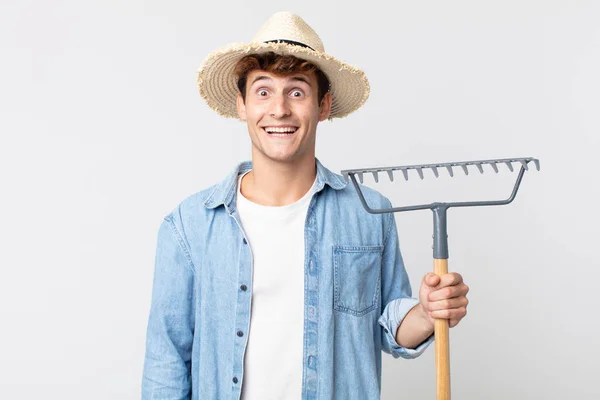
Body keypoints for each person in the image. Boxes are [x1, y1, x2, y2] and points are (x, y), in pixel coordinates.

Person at [142, 11, 469, 400]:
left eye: (297, 91)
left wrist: (428, 313)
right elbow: (166, 361)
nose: (279, 109)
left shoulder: (368, 213)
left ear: (323, 105)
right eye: (263, 91)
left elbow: (390, 326)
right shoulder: (189, 226)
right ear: (242, 105)